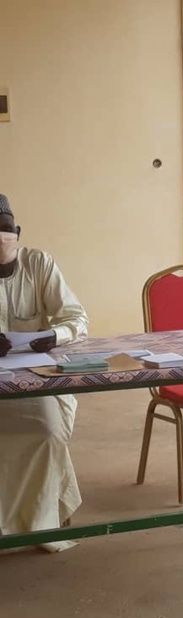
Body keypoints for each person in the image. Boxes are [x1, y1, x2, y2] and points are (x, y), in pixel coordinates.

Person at [0, 193, 89, 552]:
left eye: (5, 232)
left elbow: (77, 318)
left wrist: (54, 334)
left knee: (49, 433)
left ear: (17, 234)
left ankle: (42, 523)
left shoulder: (39, 264)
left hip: (33, 378)